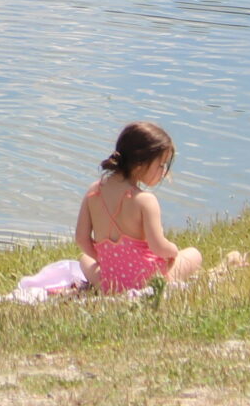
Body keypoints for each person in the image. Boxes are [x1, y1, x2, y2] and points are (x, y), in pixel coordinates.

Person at [75, 122, 204, 290]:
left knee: (85, 259)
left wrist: (103, 260)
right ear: (140, 164)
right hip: (147, 282)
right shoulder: (145, 200)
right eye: (160, 165)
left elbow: (81, 239)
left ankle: (112, 282)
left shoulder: (94, 191)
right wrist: (173, 250)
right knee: (194, 254)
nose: (163, 171)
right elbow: (158, 246)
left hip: (112, 282)